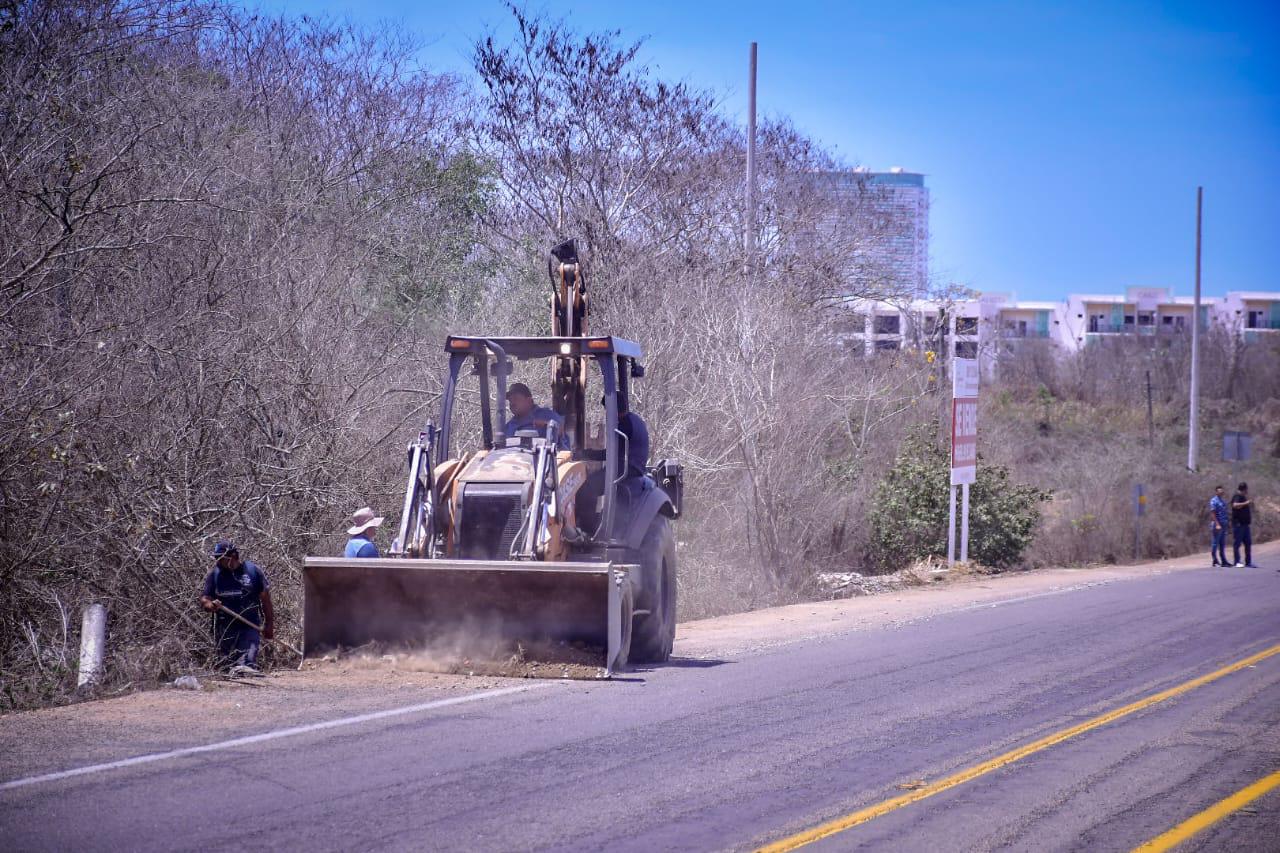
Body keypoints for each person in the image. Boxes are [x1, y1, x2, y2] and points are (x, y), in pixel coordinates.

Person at [200, 542, 273, 674]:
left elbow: (265, 599)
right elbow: (205, 599)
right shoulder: (215, 574)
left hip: (249, 626)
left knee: (247, 664)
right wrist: (211, 605)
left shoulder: (252, 571)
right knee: (226, 667)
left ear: (233, 556)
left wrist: (269, 624)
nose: (218, 561)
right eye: (217, 558)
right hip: (225, 629)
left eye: (221, 558)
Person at [505, 382, 568, 449]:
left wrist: (546, 425)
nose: (512, 403)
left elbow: (561, 430)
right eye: (510, 400)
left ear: (529, 400)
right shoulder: (508, 426)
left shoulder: (547, 415)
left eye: (516, 399)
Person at [1230, 482, 1255, 568]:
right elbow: (1235, 505)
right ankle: (1237, 561)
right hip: (1239, 524)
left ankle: (1248, 562)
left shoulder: (1243, 497)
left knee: (1248, 543)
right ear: (1244, 489)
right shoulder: (1237, 496)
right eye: (1246, 489)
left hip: (1245, 525)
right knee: (1237, 543)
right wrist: (1246, 503)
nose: (1247, 491)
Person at [1209, 485, 1229, 567]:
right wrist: (1217, 524)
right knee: (1215, 543)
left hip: (1223, 524)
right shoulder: (1214, 500)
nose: (1221, 492)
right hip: (1217, 524)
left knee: (1222, 544)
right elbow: (1212, 513)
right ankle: (1215, 561)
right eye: (1219, 491)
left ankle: (1224, 561)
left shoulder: (1222, 501)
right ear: (1216, 492)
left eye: (1222, 491)